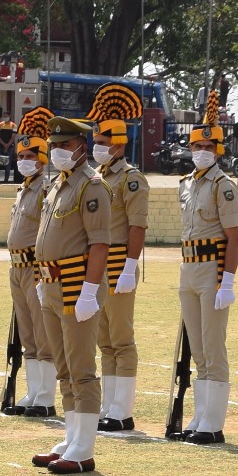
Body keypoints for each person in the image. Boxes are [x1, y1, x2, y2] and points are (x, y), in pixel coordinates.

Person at [30, 118, 115, 474]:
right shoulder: (58, 185)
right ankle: (71, 437)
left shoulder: (91, 186)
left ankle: (85, 447)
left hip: (76, 287)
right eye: (55, 146)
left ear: (81, 147)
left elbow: (100, 244)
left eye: (64, 146)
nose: (57, 152)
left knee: (81, 370)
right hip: (50, 286)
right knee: (63, 368)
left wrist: (89, 293)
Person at [174, 105, 238, 444]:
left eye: (208, 147)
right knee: (197, 348)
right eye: (196, 147)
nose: (201, 152)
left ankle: (213, 424)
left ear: (218, 150)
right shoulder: (186, 184)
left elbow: (234, 236)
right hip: (188, 268)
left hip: (212, 269)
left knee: (213, 347)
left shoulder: (223, 185)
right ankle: (200, 415)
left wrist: (227, 280)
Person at [90, 89, 150, 432]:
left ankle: (122, 411)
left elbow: (137, 225)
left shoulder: (131, 179)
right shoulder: (98, 176)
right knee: (104, 339)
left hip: (118, 265)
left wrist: (129, 267)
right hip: (98, 267)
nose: (98, 145)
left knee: (122, 339)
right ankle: (108, 406)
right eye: (96, 139)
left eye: (103, 140)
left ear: (119, 144)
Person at [1, 110, 57, 420]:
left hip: (36, 268)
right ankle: (34, 391)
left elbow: (46, 233)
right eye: (20, 154)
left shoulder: (45, 190)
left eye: (28, 155)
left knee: (41, 332)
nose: (23, 160)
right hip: (16, 267)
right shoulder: (23, 189)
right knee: (27, 332)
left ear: (41, 158)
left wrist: (40, 272)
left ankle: (46, 397)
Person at [0, 117, 17, 182]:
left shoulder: (13, 125)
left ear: (9, 116)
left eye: (6, 115)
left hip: (10, 148)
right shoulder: (0, 125)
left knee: (8, 164)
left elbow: (13, 137)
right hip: (0, 147)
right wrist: (4, 144)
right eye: (4, 116)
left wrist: (7, 146)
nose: (5, 117)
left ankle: (6, 180)